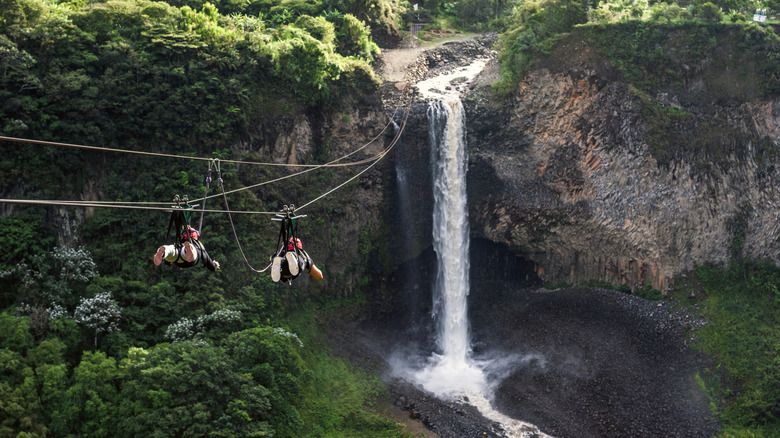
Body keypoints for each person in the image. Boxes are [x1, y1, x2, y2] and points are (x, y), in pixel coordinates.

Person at [154, 226, 221, 271]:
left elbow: (167, 262)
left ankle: (165, 252)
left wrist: (171, 262)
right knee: (191, 251)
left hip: (177, 260)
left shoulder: (179, 243)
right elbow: (211, 266)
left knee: (172, 250)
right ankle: (187, 251)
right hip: (190, 261)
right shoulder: (199, 245)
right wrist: (215, 264)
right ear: (196, 236)